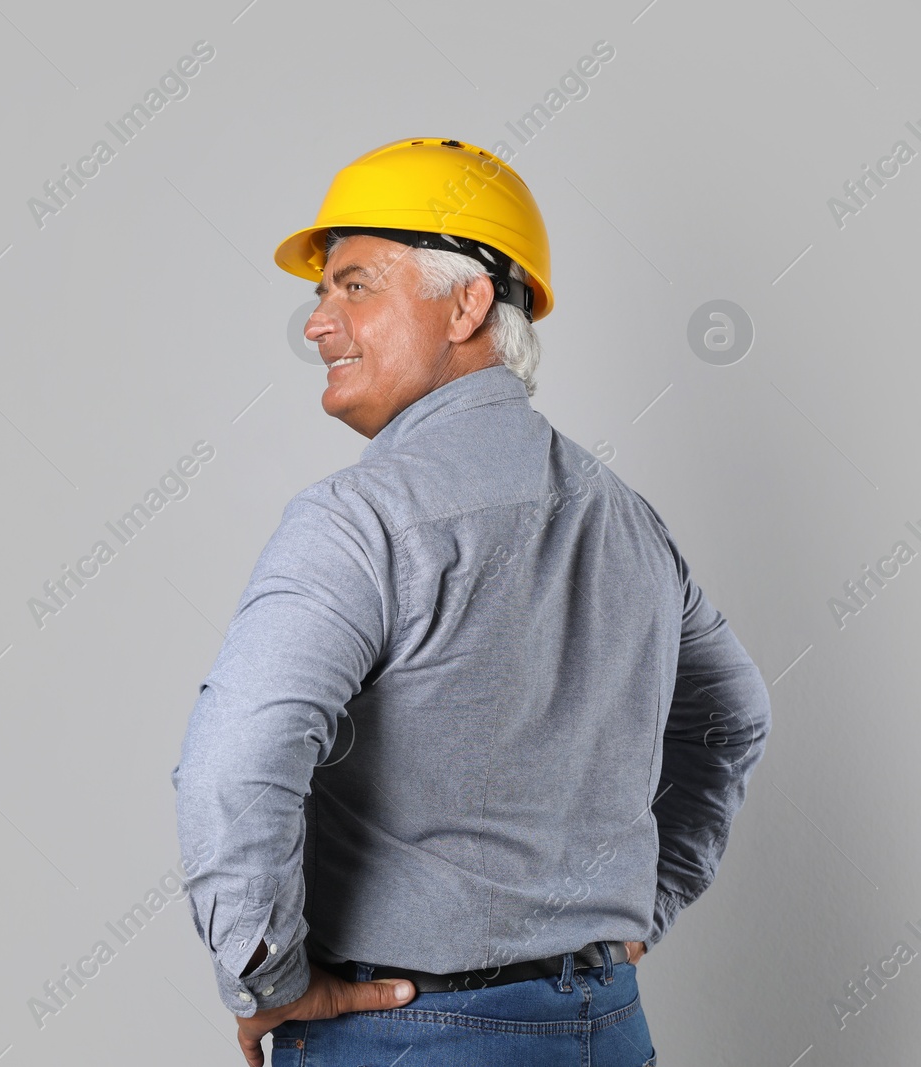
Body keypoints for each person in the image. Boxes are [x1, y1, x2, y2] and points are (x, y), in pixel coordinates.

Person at [171, 137, 771, 1067]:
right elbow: (734, 717)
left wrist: (269, 978)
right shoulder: (633, 524)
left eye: (355, 285)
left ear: (470, 303)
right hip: (605, 1030)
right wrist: (639, 908)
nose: (317, 324)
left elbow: (235, 761)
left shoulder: (359, 520)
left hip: (404, 1036)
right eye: (322, 292)